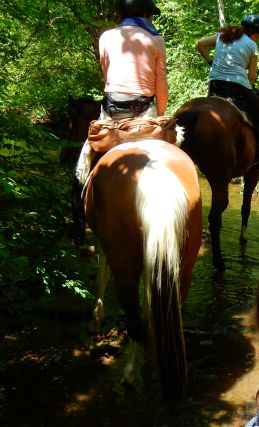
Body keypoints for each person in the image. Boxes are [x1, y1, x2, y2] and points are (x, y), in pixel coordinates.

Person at [71, 0, 168, 246]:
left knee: (82, 166)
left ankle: (78, 230)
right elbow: (161, 88)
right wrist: (159, 115)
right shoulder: (156, 40)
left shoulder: (106, 37)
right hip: (145, 111)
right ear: (146, 14)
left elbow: (107, 76)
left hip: (112, 113)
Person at [195, 14, 259, 170]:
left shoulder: (222, 36)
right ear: (255, 33)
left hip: (215, 85)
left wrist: (211, 62)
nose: (257, 40)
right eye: (258, 37)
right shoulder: (252, 45)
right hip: (237, 87)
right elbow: (252, 78)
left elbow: (199, 44)